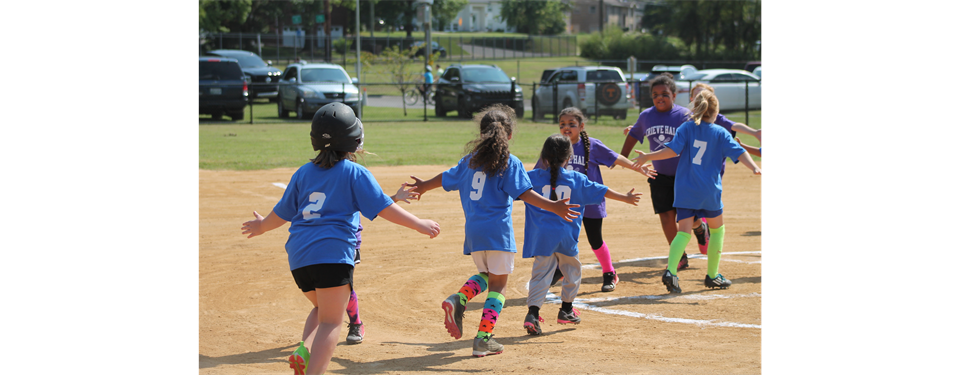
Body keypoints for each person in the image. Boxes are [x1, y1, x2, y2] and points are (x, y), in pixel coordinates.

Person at [241, 102, 441, 375]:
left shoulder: (303, 172)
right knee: (332, 322)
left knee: (322, 310)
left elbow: (281, 213)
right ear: (353, 140)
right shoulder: (355, 172)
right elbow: (383, 207)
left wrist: (262, 226)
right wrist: (419, 224)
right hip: (332, 255)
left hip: (299, 258)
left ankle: (305, 349)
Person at [407, 104, 580, 357]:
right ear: (508, 135)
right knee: (499, 287)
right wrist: (553, 206)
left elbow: (445, 177)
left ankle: (461, 298)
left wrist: (423, 186)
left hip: (474, 232)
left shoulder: (469, 161)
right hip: (498, 232)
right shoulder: (509, 162)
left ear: (482, 133)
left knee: (487, 275)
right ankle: (483, 339)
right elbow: (526, 194)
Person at [632, 90, 762, 294]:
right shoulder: (720, 132)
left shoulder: (686, 127)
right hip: (708, 190)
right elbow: (740, 152)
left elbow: (672, 150)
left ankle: (671, 271)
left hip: (684, 189)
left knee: (683, 231)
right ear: (716, 111)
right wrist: (754, 167)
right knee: (718, 230)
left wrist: (648, 155)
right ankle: (712, 276)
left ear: (695, 108)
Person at [523, 134, 642, 335]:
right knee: (572, 272)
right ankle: (566, 310)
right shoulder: (576, 179)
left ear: (544, 156)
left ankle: (533, 314)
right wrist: (625, 197)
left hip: (541, 238)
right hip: (566, 237)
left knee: (541, 274)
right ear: (568, 158)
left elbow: (511, 187)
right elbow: (603, 191)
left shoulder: (532, 177)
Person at [538, 107, 656, 292]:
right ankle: (560, 268)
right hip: (566, 203)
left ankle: (610, 273)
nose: (566, 128)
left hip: (591, 201)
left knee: (595, 239)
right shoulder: (556, 146)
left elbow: (615, 158)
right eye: (562, 124)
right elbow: (540, 171)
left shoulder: (592, 145)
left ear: (581, 126)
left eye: (572, 124)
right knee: (564, 238)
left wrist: (638, 168)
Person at [620, 73, 706, 271]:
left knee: (687, 217)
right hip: (659, 176)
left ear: (674, 95)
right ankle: (680, 255)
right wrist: (622, 157)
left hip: (684, 175)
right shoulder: (646, 116)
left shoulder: (684, 115)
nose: (660, 97)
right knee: (666, 216)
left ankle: (700, 228)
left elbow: (698, 139)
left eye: (665, 94)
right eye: (655, 94)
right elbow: (634, 135)